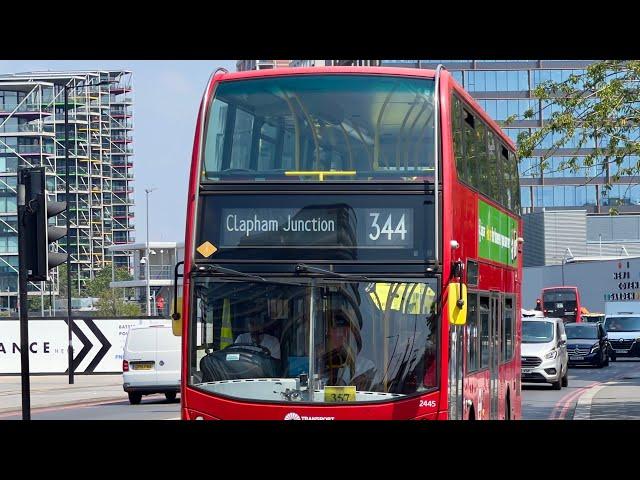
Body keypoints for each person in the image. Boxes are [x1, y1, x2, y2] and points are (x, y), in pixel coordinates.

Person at [321, 313, 376, 390]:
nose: (342, 335)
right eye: (337, 331)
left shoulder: (366, 366)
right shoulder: (317, 364)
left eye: (345, 331)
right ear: (328, 334)